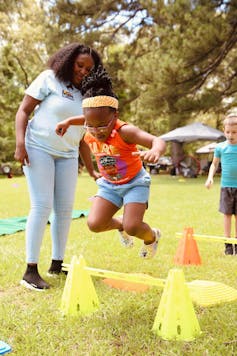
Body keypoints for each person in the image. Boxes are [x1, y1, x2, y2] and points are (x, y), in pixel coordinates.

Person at [14, 43, 102, 290]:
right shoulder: (49, 79)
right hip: (38, 148)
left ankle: (57, 264)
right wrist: (20, 144)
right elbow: (23, 111)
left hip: (68, 155)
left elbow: (83, 136)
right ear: (68, 61)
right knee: (42, 205)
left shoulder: (87, 94)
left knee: (65, 210)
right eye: (80, 65)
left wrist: (92, 169)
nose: (84, 71)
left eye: (89, 68)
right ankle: (30, 271)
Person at [56, 66, 166, 259]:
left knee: (133, 226)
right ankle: (121, 225)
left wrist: (155, 150)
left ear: (115, 116)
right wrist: (66, 122)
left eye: (102, 125)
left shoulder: (124, 131)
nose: (96, 131)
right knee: (95, 224)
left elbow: (157, 140)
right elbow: (87, 119)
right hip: (109, 185)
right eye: (90, 125)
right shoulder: (89, 127)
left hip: (134, 182)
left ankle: (152, 238)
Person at [205, 111, 237, 255]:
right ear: (224, 131)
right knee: (227, 215)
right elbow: (214, 164)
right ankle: (228, 244)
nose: (231, 135)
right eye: (228, 132)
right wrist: (210, 177)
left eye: (235, 132)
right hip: (226, 186)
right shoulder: (220, 147)